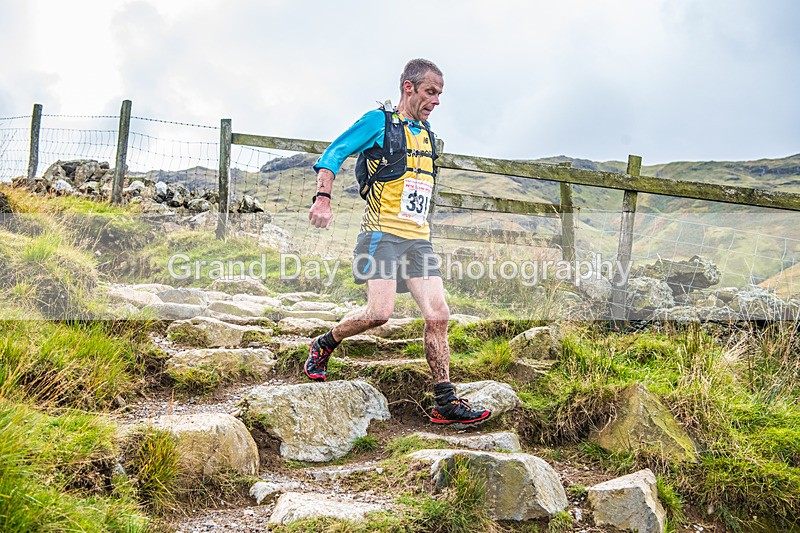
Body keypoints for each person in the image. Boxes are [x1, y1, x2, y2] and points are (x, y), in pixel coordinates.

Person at [305, 58, 490, 426]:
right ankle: (326, 343)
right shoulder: (379, 122)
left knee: (438, 315)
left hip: (418, 241)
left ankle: (444, 401)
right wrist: (322, 198)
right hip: (380, 236)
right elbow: (334, 153)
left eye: (439, 94)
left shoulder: (426, 134)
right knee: (379, 314)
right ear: (409, 87)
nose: (436, 101)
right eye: (430, 92)